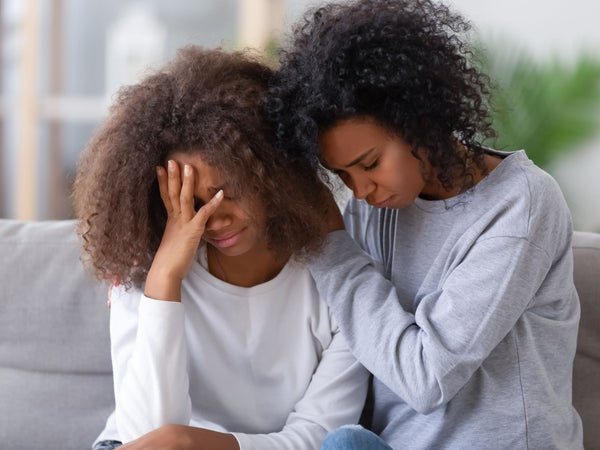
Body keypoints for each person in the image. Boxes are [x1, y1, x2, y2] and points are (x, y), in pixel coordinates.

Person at [266, 0, 584, 448]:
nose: (359, 191)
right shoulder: (373, 207)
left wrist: (331, 247)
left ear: (419, 120)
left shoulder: (521, 205)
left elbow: (426, 379)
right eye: (341, 175)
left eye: (370, 163)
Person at [73, 46, 368, 450]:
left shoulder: (337, 279)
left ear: (273, 173)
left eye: (228, 192)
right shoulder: (146, 268)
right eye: (191, 204)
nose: (214, 219)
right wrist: (164, 281)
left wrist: (194, 442)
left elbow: (321, 436)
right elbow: (148, 438)